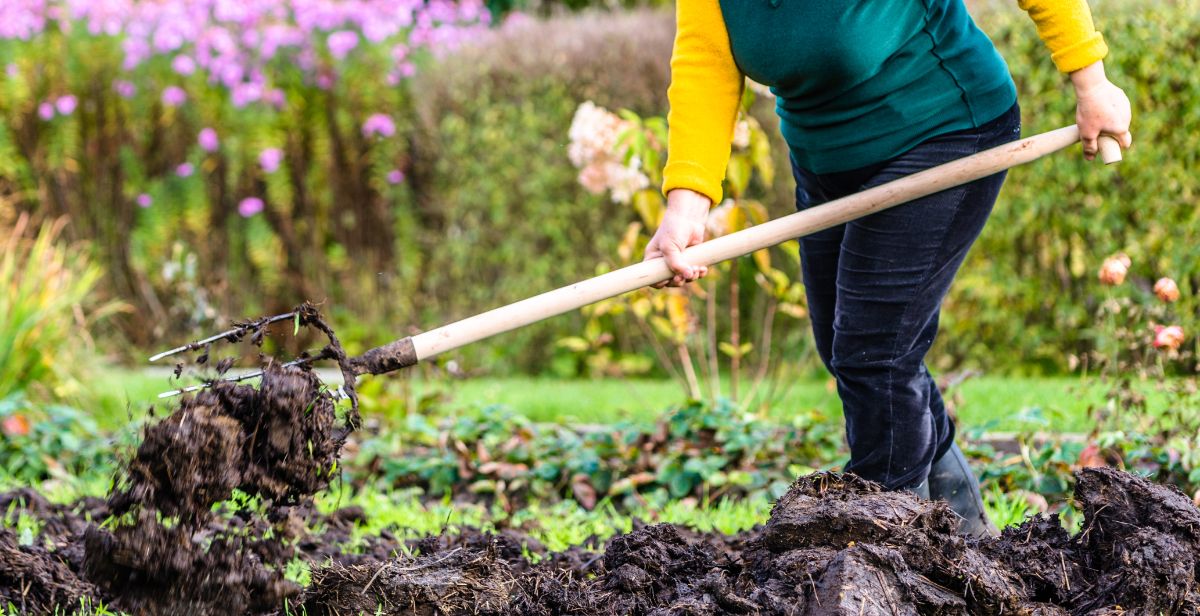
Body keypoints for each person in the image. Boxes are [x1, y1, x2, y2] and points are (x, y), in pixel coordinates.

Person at [644, 0, 1132, 536]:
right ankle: (966, 536)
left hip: (942, 130)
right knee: (849, 352)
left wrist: (1092, 81)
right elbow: (705, 63)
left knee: (874, 355)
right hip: (826, 159)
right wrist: (687, 205)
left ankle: (889, 546)